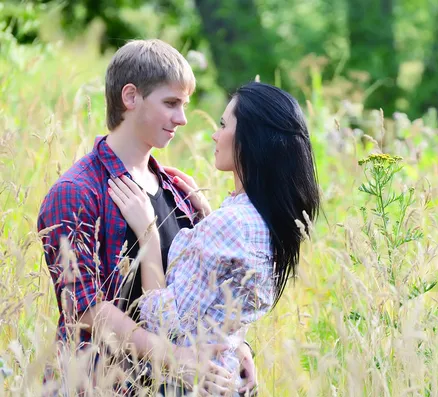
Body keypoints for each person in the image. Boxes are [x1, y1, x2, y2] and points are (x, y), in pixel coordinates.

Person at [37, 39, 255, 395]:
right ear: (130, 97)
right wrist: (176, 356)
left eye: (184, 105)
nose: (182, 119)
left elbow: (205, 297)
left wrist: (238, 349)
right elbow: (84, 309)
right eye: (170, 103)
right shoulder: (76, 191)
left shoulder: (179, 191)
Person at [106, 81, 321, 393]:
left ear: (251, 139)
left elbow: (165, 325)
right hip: (226, 379)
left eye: (223, 125)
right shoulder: (267, 216)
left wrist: (149, 236)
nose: (214, 135)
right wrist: (207, 216)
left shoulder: (231, 223)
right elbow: (223, 296)